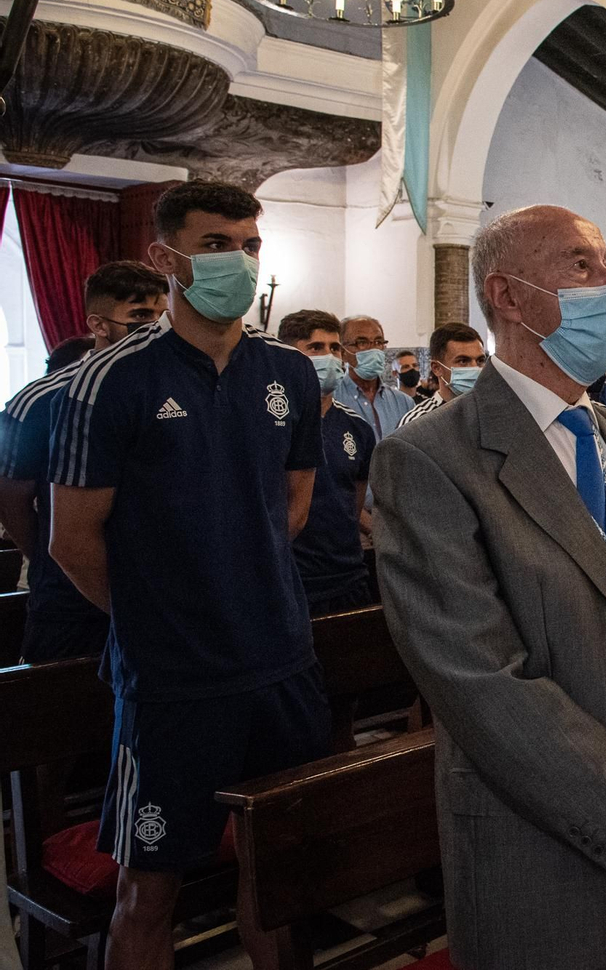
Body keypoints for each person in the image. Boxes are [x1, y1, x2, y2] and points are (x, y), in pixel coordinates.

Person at [371, 204, 606, 969]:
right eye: (581, 266)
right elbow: (480, 680)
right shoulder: (433, 460)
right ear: (507, 296)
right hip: (550, 854)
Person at [49, 181, 330, 970]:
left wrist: (241, 578)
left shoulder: (289, 372)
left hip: (280, 661)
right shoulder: (114, 379)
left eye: (249, 245)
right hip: (172, 682)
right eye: (215, 245)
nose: (237, 261)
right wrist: (160, 616)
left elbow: (295, 505)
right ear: (165, 256)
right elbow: (72, 539)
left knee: (276, 879)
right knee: (149, 889)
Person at [0, 262, 167, 662]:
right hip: (69, 596)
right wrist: (48, 553)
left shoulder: (174, 387)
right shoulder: (40, 400)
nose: (157, 328)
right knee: (63, 712)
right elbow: (11, 500)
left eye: (164, 316)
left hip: (162, 586)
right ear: (99, 324)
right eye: (141, 316)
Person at [279, 309, 377, 615]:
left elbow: (353, 502)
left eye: (335, 348)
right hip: (290, 576)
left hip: (347, 574)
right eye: (316, 348)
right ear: (289, 354)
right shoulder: (272, 421)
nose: (330, 357)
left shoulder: (356, 428)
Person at [335, 315, 412, 439]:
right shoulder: (332, 399)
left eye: (378, 342)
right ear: (343, 352)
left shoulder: (403, 402)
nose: (373, 349)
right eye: (362, 343)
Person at [398, 322, 486, 428]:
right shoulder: (417, 423)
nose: (475, 368)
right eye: (463, 361)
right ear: (437, 368)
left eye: (480, 360)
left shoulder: (492, 412)